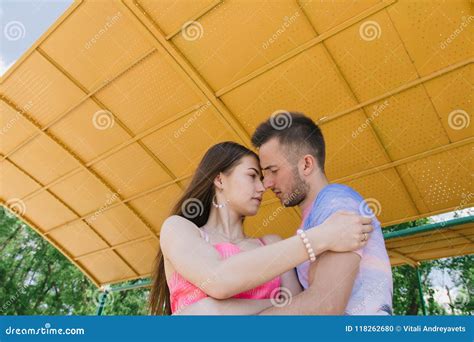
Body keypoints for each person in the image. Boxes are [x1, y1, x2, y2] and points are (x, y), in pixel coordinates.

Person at [149, 141, 374, 315]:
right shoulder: (179, 229)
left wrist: (215, 311)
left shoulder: (272, 243)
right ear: (219, 179)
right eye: (252, 176)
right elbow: (218, 280)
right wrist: (321, 237)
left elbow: (299, 310)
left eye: (262, 178)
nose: (262, 187)